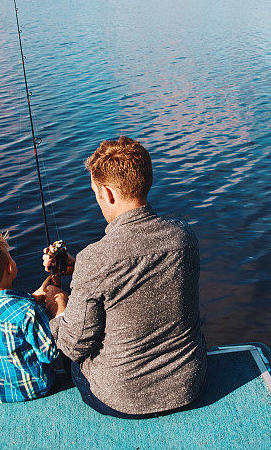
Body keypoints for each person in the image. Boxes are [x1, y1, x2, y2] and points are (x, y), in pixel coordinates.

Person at [43, 136, 207, 418]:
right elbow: (135, 270)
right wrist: (76, 267)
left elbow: (75, 345)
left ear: (107, 193)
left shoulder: (95, 259)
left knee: (69, 358)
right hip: (190, 385)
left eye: (95, 193)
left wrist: (58, 306)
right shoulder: (184, 236)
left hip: (122, 399)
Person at [0, 230, 59, 403]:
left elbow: (7, 308)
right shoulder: (29, 312)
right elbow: (49, 354)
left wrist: (37, 295)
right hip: (34, 387)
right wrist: (55, 311)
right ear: (10, 267)